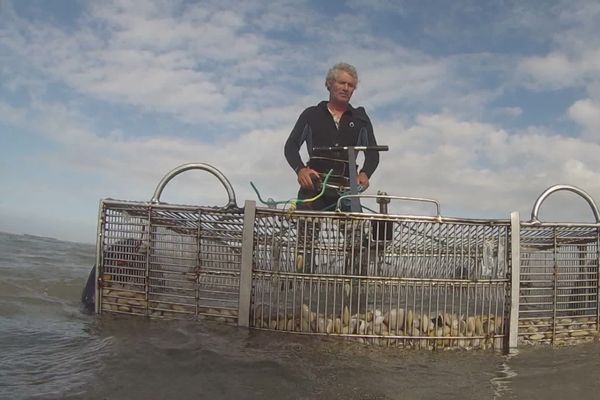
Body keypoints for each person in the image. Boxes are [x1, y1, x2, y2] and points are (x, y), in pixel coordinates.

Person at [284, 62, 379, 211]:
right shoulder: (311, 114)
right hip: (314, 188)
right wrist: (301, 170)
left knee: (356, 233)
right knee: (306, 233)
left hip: (348, 191)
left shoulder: (361, 119)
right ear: (330, 84)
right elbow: (291, 145)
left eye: (351, 85)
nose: (346, 88)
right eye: (342, 83)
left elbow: (373, 153)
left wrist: (365, 173)